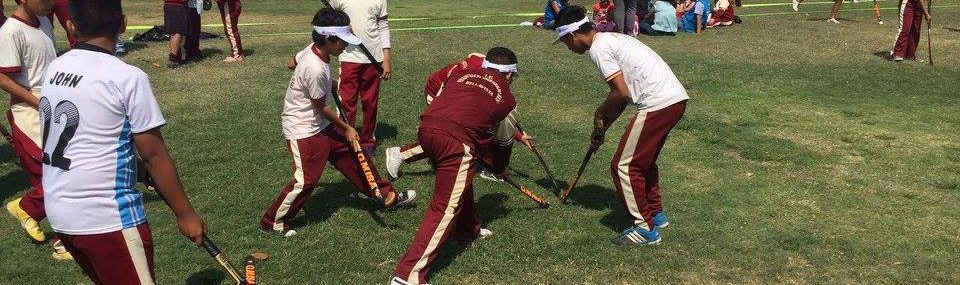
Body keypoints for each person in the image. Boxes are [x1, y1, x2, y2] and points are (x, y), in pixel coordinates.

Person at [40, 1, 209, 283]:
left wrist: (138, 170)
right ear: (124, 23)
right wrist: (186, 214)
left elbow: (91, 136)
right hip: (107, 218)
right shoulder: (127, 78)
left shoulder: (54, 68)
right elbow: (154, 154)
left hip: (61, 214)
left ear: (70, 26)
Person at [259, 8, 415, 238]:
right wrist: (347, 127)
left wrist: (327, 82)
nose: (346, 46)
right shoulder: (314, 67)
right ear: (328, 38)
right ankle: (272, 221)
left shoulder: (313, 53)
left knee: (354, 154)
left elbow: (291, 62)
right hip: (303, 128)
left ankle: (384, 195)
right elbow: (320, 107)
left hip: (321, 124)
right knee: (306, 180)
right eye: (342, 41)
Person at [553, 6, 688, 246]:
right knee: (643, 163)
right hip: (674, 99)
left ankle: (645, 229)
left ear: (572, 36)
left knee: (624, 167)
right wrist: (602, 128)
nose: (568, 48)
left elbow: (620, 92)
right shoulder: (610, 39)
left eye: (565, 43)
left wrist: (599, 113)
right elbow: (623, 97)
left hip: (658, 102)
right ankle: (656, 215)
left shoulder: (598, 48)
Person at [390, 47, 519, 285]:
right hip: (456, 142)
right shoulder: (508, 100)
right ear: (510, 75)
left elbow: (440, 100)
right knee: (443, 209)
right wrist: (499, 167)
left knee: (461, 179)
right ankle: (407, 276)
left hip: (427, 129)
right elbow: (502, 144)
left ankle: (468, 229)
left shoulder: (460, 74)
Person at [383, 51, 534, 180]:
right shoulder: (473, 74)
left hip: (454, 95)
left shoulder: (488, 69)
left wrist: (519, 136)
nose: (511, 81)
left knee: (464, 133)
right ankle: (399, 154)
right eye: (512, 76)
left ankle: (486, 165)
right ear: (507, 74)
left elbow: (490, 116)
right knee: (450, 136)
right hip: (439, 92)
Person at [0, 0, 74, 260]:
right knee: (54, 175)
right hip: (28, 114)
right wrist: (37, 102)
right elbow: (3, 78)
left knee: (62, 171)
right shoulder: (11, 31)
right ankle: (57, 237)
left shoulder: (43, 22)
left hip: (52, 107)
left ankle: (30, 211)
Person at [325, 0, 392, 155]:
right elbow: (331, 16)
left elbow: (383, 27)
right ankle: (344, 141)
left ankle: (368, 141)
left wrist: (386, 58)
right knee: (346, 102)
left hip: (374, 58)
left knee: (370, 103)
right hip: (348, 57)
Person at [163, 0, 201, 68]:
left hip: (168, 4)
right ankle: (173, 59)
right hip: (178, 5)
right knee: (178, 32)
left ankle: (175, 56)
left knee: (173, 32)